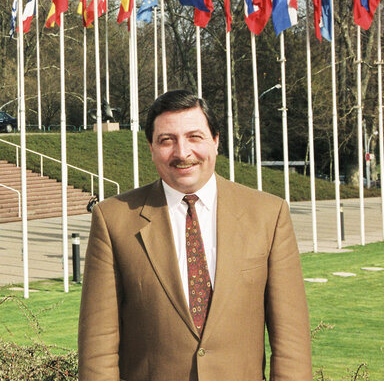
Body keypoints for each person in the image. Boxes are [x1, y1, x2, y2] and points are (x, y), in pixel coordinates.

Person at [78, 89, 311, 381]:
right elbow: (98, 346)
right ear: (150, 147)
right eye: (167, 140)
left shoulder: (268, 215)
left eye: (194, 137)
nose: (182, 153)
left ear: (215, 141)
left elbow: (291, 342)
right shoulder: (113, 220)